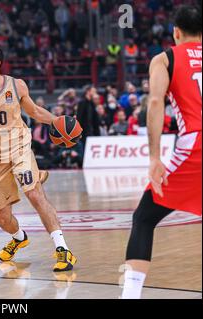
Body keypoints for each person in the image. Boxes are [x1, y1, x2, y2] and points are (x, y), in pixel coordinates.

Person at [0, 45, 77, 272]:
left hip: (19, 149)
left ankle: (63, 249)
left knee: (34, 194)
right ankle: (19, 237)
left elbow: (36, 112)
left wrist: (57, 122)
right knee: (3, 217)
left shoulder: (17, 85)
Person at [122, 5, 202, 299]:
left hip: (196, 143)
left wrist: (154, 157)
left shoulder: (165, 58)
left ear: (176, 33)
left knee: (145, 217)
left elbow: (156, 103)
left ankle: (130, 295)